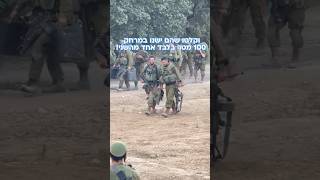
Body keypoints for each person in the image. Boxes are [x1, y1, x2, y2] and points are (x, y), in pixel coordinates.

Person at [17, 0, 80, 93]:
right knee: (51, 53)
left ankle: (33, 82)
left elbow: (67, 5)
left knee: (38, 48)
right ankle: (58, 82)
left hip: (55, 22)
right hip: (46, 21)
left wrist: (63, 17)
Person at [267, 0, 306, 68]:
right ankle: (275, 57)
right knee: (271, 30)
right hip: (279, 6)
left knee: (295, 33)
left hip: (296, 7)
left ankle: (295, 57)